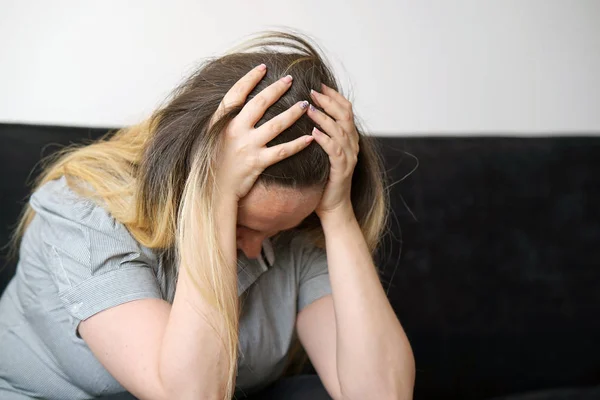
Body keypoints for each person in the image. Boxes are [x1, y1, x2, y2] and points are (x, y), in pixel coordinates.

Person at [0, 31, 415, 400]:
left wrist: (337, 212)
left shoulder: (292, 224)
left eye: (275, 232)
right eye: (243, 225)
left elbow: (380, 394)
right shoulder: (84, 211)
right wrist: (215, 198)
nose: (256, 250)